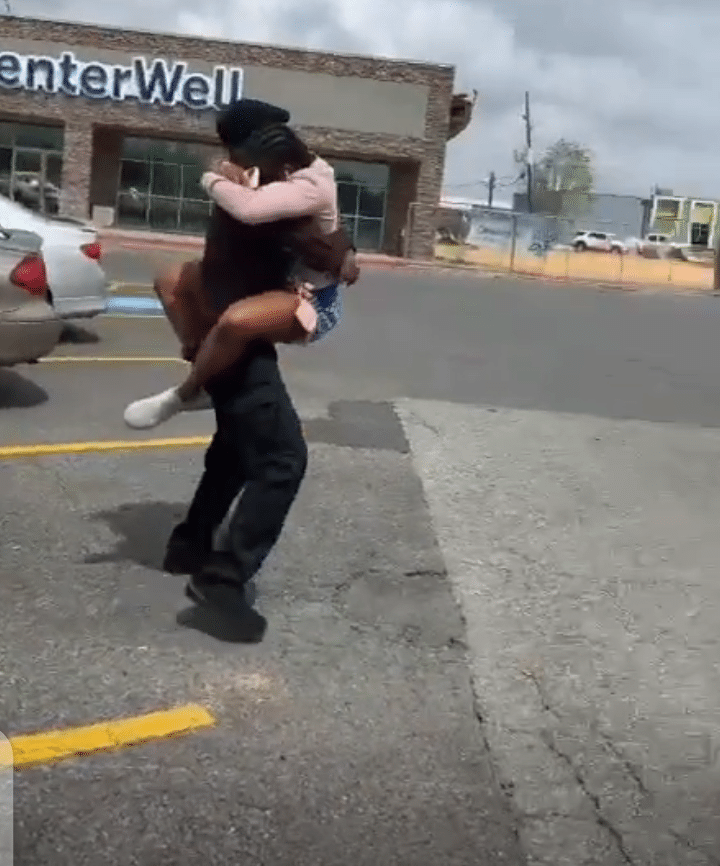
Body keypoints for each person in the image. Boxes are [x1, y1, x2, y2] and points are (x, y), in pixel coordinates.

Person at [157, 99, 356, 641]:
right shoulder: (250, 190)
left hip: (256, 315)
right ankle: (220, 576)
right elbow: (287, 231)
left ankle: (191, 546)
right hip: (238, 327)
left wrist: (216, 178)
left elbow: (312, 233)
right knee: (277, 457)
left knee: (241, 445)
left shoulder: (269, 184)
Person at [124, 123, 355, 430]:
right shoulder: (287, 174)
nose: (251, 175)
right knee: (170, 280)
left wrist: (210, 178)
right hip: (272, 284)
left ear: (286, 171)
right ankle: (206, 369)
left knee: (235, 322)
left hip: (312, 301)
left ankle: (186, 393)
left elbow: (249, 208)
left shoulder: (308, 190)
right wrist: (222, 167)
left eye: (259, 170)